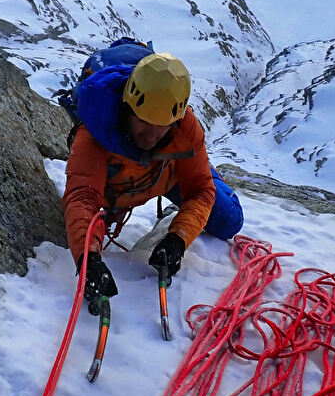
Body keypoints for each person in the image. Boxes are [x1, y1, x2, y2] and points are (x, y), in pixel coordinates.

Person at [61, 39, 244, 314]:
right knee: (92, 229)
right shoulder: (95, 132)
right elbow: (82, 198)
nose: (151, 135)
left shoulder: (185, 126)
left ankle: (205, 177)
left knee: (230, 220)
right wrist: (89, 261)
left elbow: (200, 190)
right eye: (144, 122)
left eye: (162, 127)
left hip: (167, 175)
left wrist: (178, 238)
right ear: (128, 107)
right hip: (120, 184)